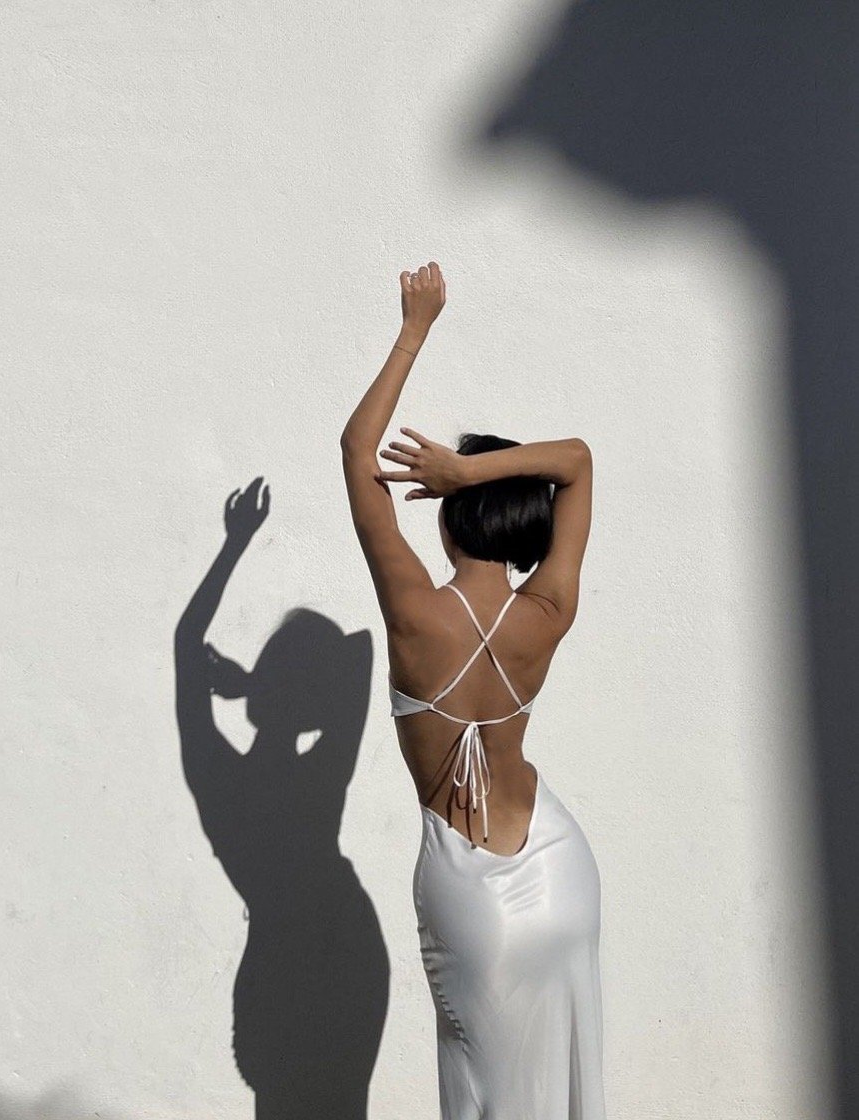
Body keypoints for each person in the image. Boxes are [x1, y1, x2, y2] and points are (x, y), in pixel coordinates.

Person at [339, 261, 606, 1118]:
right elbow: (576, 461)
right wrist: (471, 472)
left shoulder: (417, 614)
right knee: (562, 1089)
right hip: (560, 867)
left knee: (486, 1096)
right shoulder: (547, 611)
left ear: (449, 515)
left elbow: (356, 453)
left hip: (473, 892)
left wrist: (413, 329)